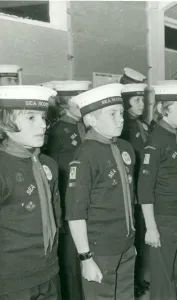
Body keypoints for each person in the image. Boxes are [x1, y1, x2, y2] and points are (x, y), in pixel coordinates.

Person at [65, 83, 136, 300]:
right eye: (112, 114)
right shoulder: (86, 155)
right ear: (92, 120)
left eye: (121, 113)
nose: (121, 119)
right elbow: (75, 212)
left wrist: (130, 243)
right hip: (100, 249)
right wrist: (86, 258)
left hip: (125, 244)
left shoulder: (125, 147)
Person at [0, 85, 61, 299]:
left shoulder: (49, 164)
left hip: (49, 270)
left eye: (43, 118)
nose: (43, 125)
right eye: (31, 118)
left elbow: (56, 216)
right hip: (12, 279)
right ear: (5, 123)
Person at [138, 83, 177, 300]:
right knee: (163, 275)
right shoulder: (156, 140)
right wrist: (151, 228)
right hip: (165, 216)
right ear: (164, 109)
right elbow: (144, 187)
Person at [46, 80, 91, 300]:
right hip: (67, 201)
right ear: (66, 104)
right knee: (72, 258)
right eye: (79, 99)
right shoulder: (58, 131)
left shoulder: (83, 126)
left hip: (86, 198)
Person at [120, 83, 150, 297]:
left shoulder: (139, 124)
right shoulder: (126, 127)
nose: (142, 104)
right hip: (133, 187)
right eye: (137, 100)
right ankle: (132, 282)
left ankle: (137, 279)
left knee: (139, 235)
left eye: (142, 99)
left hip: (142, 185)